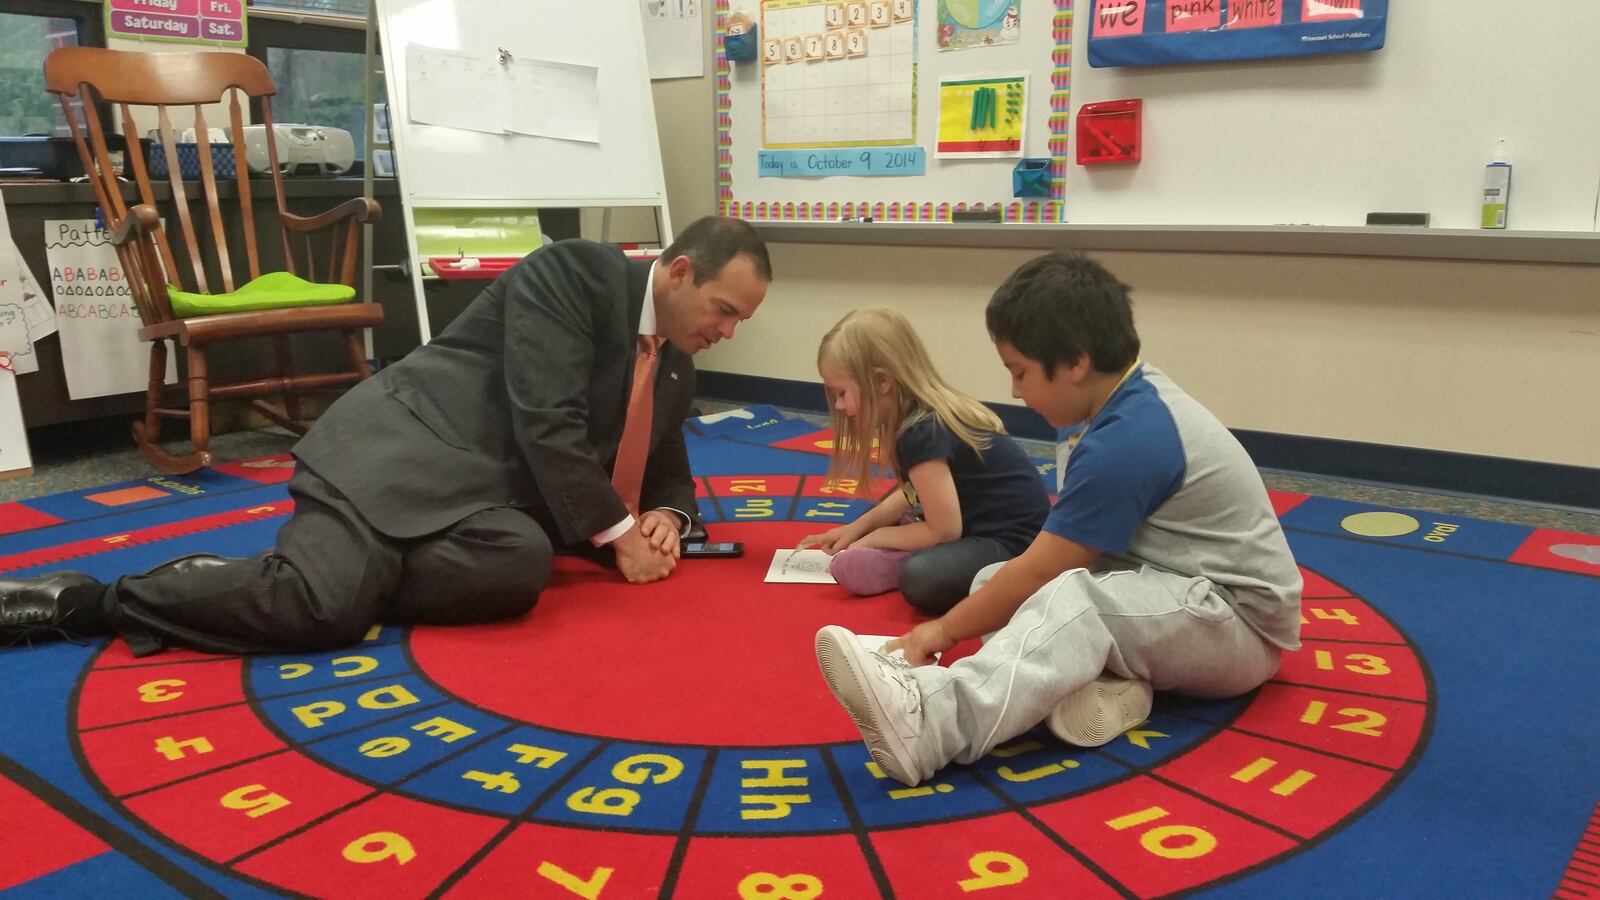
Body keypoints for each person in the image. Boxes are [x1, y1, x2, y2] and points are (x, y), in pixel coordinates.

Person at [0, 216, 771, 655]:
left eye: (741, 320)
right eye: (723, 308)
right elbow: (547, 421)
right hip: (396, 458)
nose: (729, 331)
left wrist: (668, 517)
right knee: (321, 612)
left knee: (522, 564)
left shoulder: (673, 365)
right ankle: (90, 602)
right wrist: (619, 533)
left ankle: (321, 574)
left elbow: (670, 470)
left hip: (479, 505)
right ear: (674, 274)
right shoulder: (576, 273)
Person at [813, 251, 1302, 787]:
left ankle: (935, 723)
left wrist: (941, 630)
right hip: (1174, 591)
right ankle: (1111, 686)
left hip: (1238, 625)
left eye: (1020, 372)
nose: (1017, 391)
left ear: (1076, 362)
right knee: (991, 581)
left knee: (1073, 603)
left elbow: (1048, 567)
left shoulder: (1128, 439)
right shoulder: (1117, 406)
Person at [797, 308, 1048, 613]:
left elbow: (944, 531)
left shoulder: (920, 431)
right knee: (878, 513)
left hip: (1014, 543)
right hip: (971, 522)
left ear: (882, 382)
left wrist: (877, 537)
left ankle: (897, 559)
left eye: (841, 392)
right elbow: (912, 493)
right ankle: (899, 548)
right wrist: (859, 527)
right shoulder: (916, 416)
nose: (838, 404)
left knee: (921, 577)